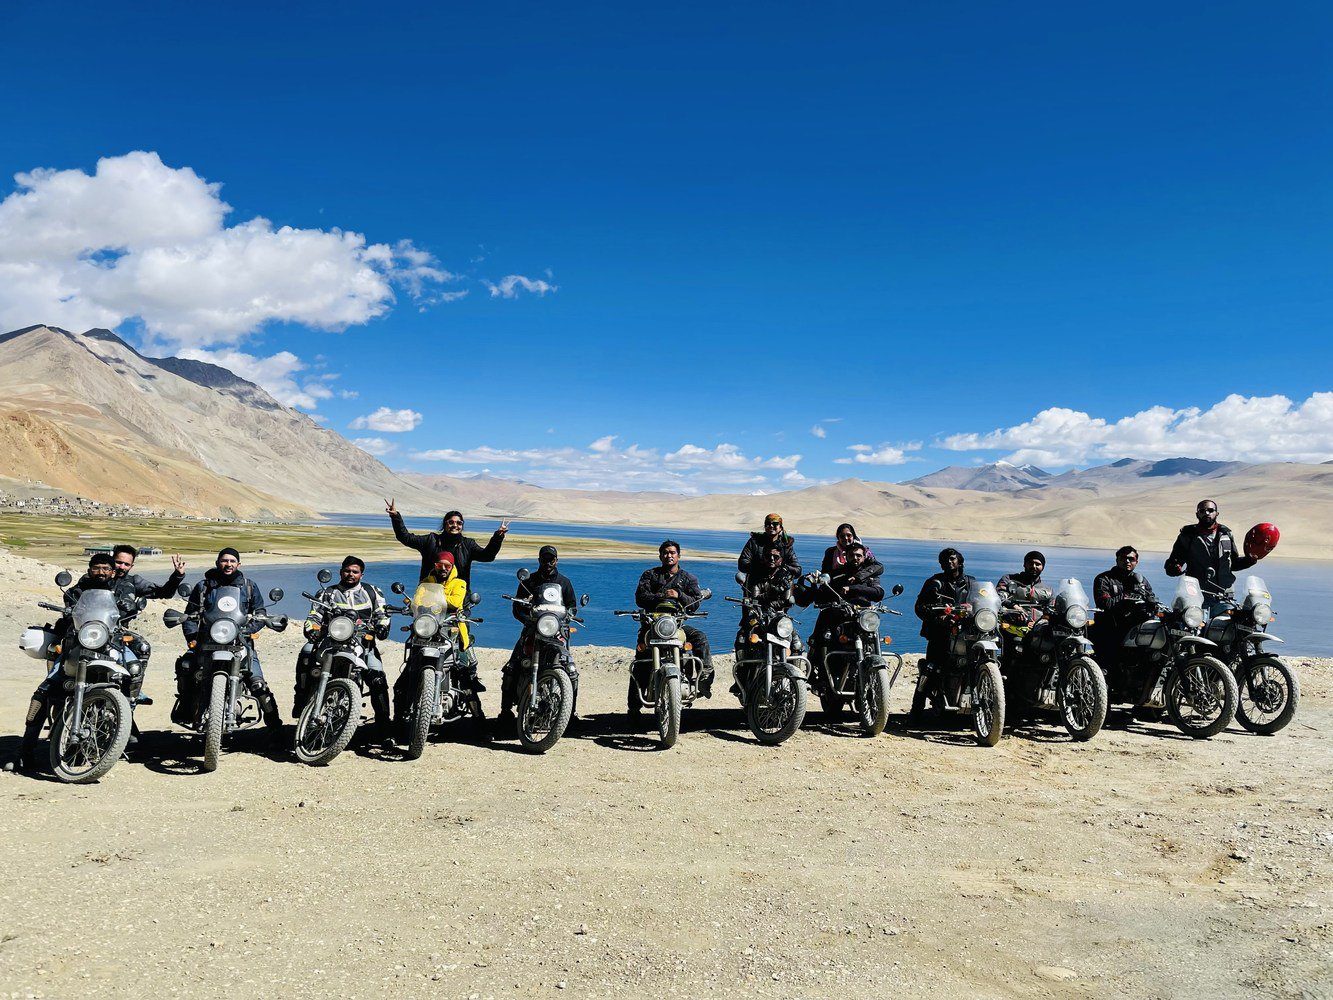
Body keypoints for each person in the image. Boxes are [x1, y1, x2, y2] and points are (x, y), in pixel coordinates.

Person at [18, 553, 139, 770]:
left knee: (133, 669)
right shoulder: (76, 591)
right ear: (89, 569)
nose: (101, 572)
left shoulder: (120, 590)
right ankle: (25, 751)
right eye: (96, 568)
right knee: (46, 689)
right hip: (77, 645)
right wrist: (67, 612)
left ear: (112, 571)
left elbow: (128, 608)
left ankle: (127, 723)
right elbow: (70, 610)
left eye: (105, 568)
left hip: (110, 645)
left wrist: (129, 608)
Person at [172, 548, 283, 739]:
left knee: (257, 683)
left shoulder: (248, 587)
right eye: (224, 560)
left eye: (232, 561)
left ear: (238, 564)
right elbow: (190, 614)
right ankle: (186, 708)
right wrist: (192, 636)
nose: (228, 564)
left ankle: (275, 726)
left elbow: (260, 612)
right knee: (189, 671)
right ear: (217, 563)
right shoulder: (204, 586)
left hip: (240, 642)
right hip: (207, 641)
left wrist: (249, 630)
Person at [296, 556, 393, 743]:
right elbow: (314, 614)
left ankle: (384, 726)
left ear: (361, 574)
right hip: (331, 641)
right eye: (347, 571)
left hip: (363, 643)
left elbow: (383, 613)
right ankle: (301, 701)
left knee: (378, 678)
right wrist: (311, 629)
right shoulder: (328, 593)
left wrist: (382, 626)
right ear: (341, 572)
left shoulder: (372, 592)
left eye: (355, 571)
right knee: (307, 654)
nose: (351, 574)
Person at [393, 551, 478, 734]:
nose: (443, 569)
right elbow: (416, 601)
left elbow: (455, 602)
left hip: (452, 629)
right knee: (403, 682)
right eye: (440, 565)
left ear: (452, 566)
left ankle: (480, 723)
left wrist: (431, 601)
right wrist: (417, 605)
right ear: (435, 565)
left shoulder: (459, 583)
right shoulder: (426, 582)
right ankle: (397, 723)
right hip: (427, 629)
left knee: (467, 677)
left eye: (447, 565)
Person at [499, 545, 579, 725]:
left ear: (556, 561)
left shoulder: (564, 582)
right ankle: (505, 710)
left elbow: (572, 606)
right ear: (539, 560)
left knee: (571, 669)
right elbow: (517, 606)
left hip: (555, 630)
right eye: (544, 559)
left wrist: (568, 617)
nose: (548, 562)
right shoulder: (528, 581)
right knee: (513, 665)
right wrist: (527, 620)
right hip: (533, 628)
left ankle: (570, 713)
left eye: (551, 559)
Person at [634, 539, 714, 697]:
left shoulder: (688, 578)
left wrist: (680, 595)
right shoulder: (650, 575)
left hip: (677, 625)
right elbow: (640, 597)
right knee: (641, 660)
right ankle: (634, 707)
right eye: (665, 553)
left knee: (700, 638)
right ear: (660, 556)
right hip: (652, 625)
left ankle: (704, 678)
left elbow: (695, 602)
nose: (668, 555)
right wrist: (661, 595)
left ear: (678, 555)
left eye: (672, 552)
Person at [111, 544, 186, 704]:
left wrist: (177, 576)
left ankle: (134, 691)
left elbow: (163, 592)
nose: (121, 567)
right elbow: (75, 593)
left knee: (143, 647)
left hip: (119, 630)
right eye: (118, 562)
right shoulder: (99, 575)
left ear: (132, 566)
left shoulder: (133, 582)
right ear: (112, 560)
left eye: (126, 564)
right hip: (92, 628)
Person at [384, 499, 509, 585]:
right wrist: (395, 517)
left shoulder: (468, 545)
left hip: (458, 600)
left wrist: (498, 537)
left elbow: (487, 556)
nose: (455, 525)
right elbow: (405, 538)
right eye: (451, 522)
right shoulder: (430, 541)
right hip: (428, 596)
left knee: (460, 625)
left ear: (462, 526)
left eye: (459, 523)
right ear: (445, 524)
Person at [1164, 500, 1257, 615]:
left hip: (1224, 597)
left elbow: (1232, 564)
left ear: (1217, 513)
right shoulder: (1188, 536)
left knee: (1227, 630)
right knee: (1194, 629)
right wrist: (1174, 568)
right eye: (1202, 511)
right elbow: (1173, 562)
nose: (1207, 513)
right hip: (1196, 597)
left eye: (1210, 510)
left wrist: (1250, 560)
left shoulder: (1226, 534)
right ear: (1197, 514)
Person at [804, 541, 885, 672]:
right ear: (846, 556)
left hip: (862, 615)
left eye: (859, 555)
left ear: (864, 557)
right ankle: (817, 669)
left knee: (873, 636)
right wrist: (814, 585)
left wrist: (852, 588)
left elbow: (878, 593)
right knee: (826, 636)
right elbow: (824, 592)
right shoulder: (838, 573)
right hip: (842, 614)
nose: (855, 558)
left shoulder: (869, 575)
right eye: (852, 555)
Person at [1091, 546, 1158, 666]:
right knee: (1111, 664)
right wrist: (1126, 596)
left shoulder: (1141, 581)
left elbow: (1152, 600)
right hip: (1110, 627)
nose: (1127, 561)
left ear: (1136, 562)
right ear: (1117, 560)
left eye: (1131, 559)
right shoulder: (1104, 579)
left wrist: (1152, 603)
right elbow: (1104, 603)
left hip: (1135, 627)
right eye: (1123, 558)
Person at [913, 548, 977, 670]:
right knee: (932, 670)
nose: (949, 561)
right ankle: (924, 687)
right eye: (944, 560)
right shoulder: (934, 582)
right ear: (941, 564)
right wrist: (938, 618)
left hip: (966, 630)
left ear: (960, 561)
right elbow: (919, 607)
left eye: (952, 558)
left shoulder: (971, 582)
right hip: (940, 632)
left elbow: (980, 601)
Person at [737, 513, 800, 578]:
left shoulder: (786, 544)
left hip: (779, 584)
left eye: (775, 524)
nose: (771, 526)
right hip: (757, 582)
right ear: (765, 527)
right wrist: (760, 567)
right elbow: (742, 563)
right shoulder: (754, 542)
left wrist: (784, 568)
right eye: (768, 524)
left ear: (780, 527)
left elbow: (797, 570)